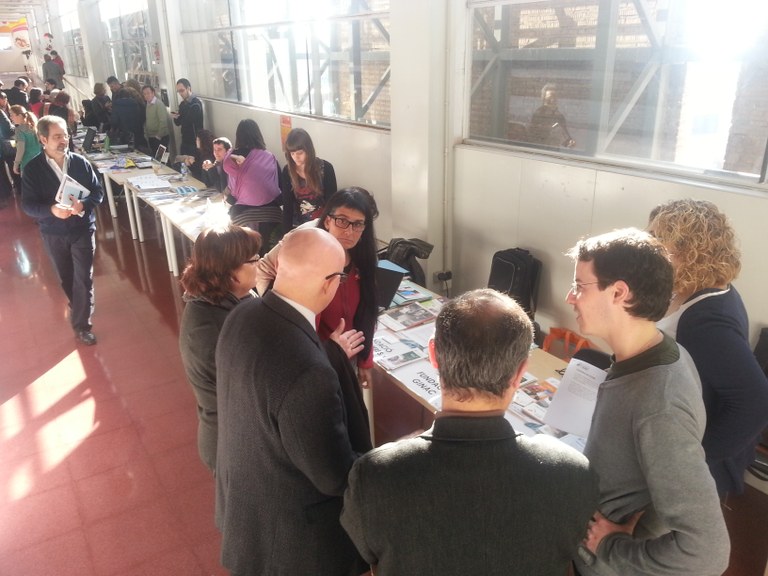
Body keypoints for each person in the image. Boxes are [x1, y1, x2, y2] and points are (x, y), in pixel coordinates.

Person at [341, 288, 599, 576]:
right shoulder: (573, 474)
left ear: (433, 355)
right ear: (520, 373)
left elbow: (369, 555)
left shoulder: (374, 476)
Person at [565, 228, 730, 576]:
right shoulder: (660, 350)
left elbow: (708, 553)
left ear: (619, 293)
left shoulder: (659, 404)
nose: (570, 297)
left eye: (580, 285)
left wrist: (612, 547)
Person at [215, 227, 365, 575]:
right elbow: (333, 476)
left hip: (247, 510)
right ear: (330, 284)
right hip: (293, 543)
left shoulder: (241, 313)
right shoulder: (309, 372)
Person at [649, 199, 768, 497]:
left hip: (692, 462)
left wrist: (694, 457)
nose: (649, 247)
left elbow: (756, 401)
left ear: (688, 250)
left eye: (658, 239)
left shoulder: (705, 320)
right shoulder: (699, 287)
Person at [257, 187, 379, 387]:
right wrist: (329, 351)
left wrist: (365, 360)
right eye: (342, 221)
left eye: (357, 224)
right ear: (328, 220)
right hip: (316, 359)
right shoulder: (306, 246)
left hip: (348, 356)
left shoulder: (362, 260)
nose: (349, 231)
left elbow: (367, 313)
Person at [178, 225, 262, 473]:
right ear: (230, 272)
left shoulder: (235, 297)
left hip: (243, 433)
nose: (259, 263)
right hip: (233, 445)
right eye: (254, 260)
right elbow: (252, 388)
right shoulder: (209, 329)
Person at [21, 115, 104, 345]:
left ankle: (82, 325)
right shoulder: (33, 169)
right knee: (66, 277)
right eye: (57, 136)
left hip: (82, 229)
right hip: (53, 232)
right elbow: (28, 205)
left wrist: (83, 205)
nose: (64, 140)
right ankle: (79, 305)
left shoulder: (80, 163)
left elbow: (98, 192)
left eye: (65, 135)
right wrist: (51, 210)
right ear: (43, 139)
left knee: (83, 277)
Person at [222, 119, 282, 252]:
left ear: (238, 136)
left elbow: (232, 194)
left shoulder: (232, 159)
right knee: (269, 253)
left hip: (243, 216)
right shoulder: (270, 157)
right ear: (258, 135)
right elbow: (280, 188)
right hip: (272, 215)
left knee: (246, 252)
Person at [281, 127, 337, 231]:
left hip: (322, 224)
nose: (296, 157)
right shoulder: (287, 171)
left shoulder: (326, 168)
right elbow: (287, 206)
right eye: (292, 153)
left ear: (308, 150)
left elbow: (332, 204)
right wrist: (286, 234)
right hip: (299, 225)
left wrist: (330, 229)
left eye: (300, 153)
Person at [528, 83, 575, 148]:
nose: (552, 100)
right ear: (543, 99)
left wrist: (569, 142)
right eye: (549, 98)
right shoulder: (538, 115)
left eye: (555, 97)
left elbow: (564, 137)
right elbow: (532, 137)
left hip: (554, 150)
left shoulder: (560, 117)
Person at [171, 77, 204, 157]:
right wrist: (175, 117)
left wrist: (180, 116)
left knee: (194, 162)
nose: (180, 94)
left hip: (194, 141)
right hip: (185, 140)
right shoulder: (183, 104)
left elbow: (188, 121)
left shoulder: (196, 103)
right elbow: (178, 123)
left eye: (182, 90)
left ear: (188, 88)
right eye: (178, 91)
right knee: (183, 162)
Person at [10, 105, 42, 180]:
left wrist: (16, 164)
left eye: (12, 115)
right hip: (40, 160)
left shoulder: (19, 130)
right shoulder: (35, 126)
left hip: (27, 162)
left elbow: (21, 149)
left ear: (20, 115)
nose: (11, 117)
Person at [142, 84, 170, 156]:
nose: (146, 95)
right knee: (156, 158)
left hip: (160, 137)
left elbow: (163, 121)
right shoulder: (147, 104)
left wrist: (158, 136)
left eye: (148, 93)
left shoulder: (159, 104)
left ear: (153, 93)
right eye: (144, 94)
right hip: (151, 136)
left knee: (163, 158)